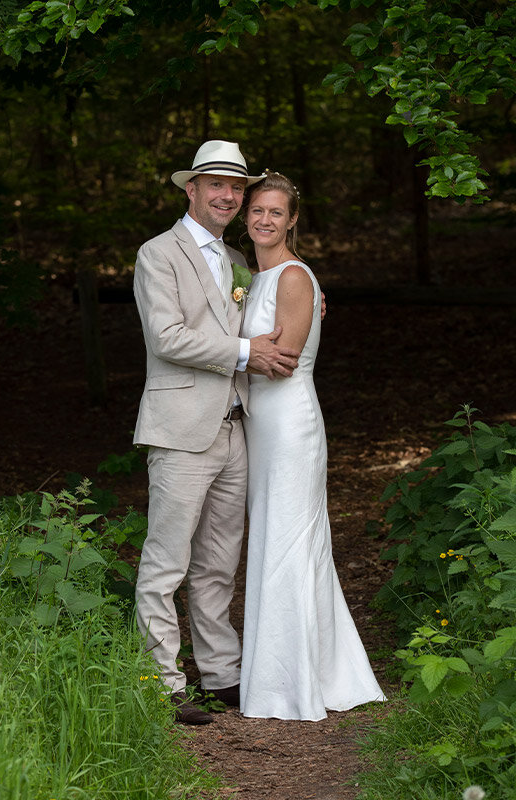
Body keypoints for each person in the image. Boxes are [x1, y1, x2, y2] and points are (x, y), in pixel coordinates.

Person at [132, 141, 300, 725]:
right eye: (216, 185)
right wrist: (244, 352)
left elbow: (265, 305)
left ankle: (222, 674)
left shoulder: (237, 258)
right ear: (191, 190)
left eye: (236, 186)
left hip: (236, 429)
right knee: (166, 564)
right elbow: (167, 338)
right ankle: (163, 682)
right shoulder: (158, 254)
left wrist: (305, 298)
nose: (228, 195)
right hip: (180, 429)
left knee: (218, 563)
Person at [239, 171, 385, 721]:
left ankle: (292, 684)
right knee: (276, 539)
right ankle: (293, 673)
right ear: (246, 215)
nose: (265, 219)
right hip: (261, 426)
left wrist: (229, 349)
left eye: (276, 212)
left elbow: (281, 359)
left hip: (289, 424)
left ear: (293, 220)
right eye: (257, 210)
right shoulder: (251, 277)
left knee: (290, 543)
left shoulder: (295, 277)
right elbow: (257, 346)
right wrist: (243, 345)